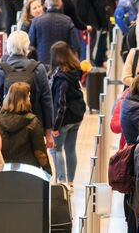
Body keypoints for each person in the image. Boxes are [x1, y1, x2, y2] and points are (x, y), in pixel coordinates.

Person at [0, 31, 54, 142]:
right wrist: (48, 133)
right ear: (26, 47)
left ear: (8, 47)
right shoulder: (39, 69)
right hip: (33, 128)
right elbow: (46, 101)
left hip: (4, 128)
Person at [49, 41, 87, 185]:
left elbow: (60, 104)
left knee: (56, 150)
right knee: (70, 149)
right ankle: (70, 182)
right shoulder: (75, 70)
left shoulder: (61, 78)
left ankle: (61, 181)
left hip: (64, 120)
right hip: (77, 116)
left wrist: (55, 126)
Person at [0, 82, 52, 172]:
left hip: (3, 169)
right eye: (29, 96)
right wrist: (47, 170)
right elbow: (39, 152)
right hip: (28, 171)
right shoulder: (33, 122)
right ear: (26, 99)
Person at [29, 0, 81, 65]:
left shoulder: (36, 21)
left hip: (42, 64)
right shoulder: (67, 21)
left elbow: (31, 44)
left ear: (46, 4)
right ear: (60, 3)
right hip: (62, 65)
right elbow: (75, 46)